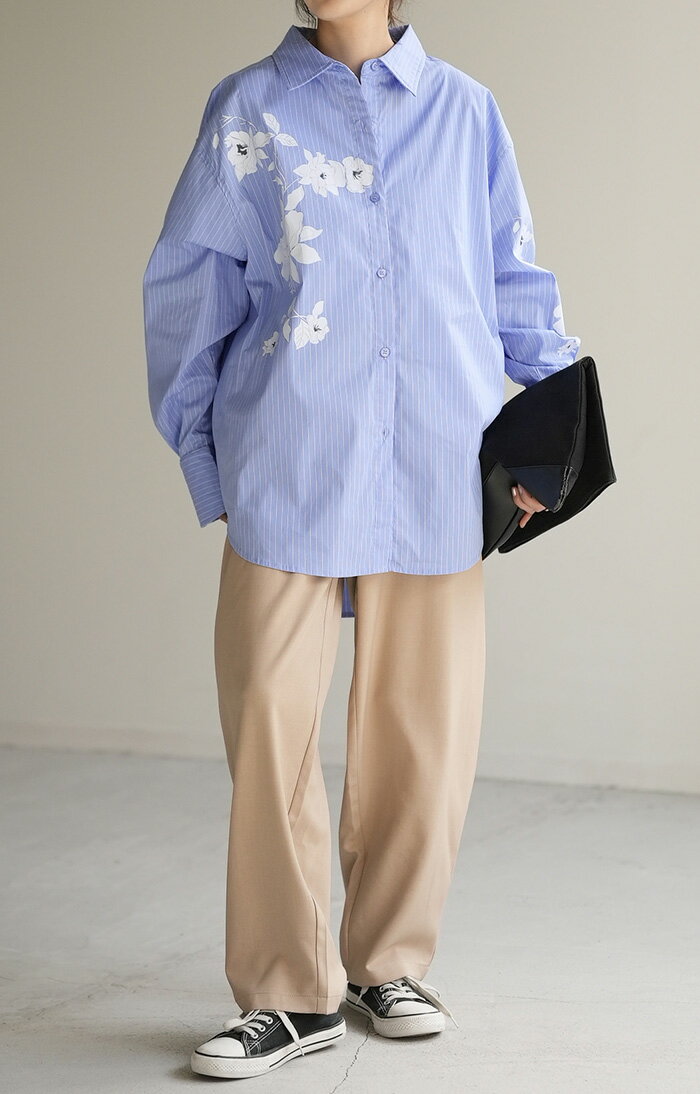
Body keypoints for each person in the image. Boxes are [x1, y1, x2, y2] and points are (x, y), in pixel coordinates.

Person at [142, 0, 580, 1080]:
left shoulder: (465, 113)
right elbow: (189, 291)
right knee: (270, 723)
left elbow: (514, 281)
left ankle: (388, 962)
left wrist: (549, 442)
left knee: (421, 732)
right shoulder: (248, 107)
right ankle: (288, 993)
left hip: (439, 459)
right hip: (290, 456)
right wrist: (209, 461)